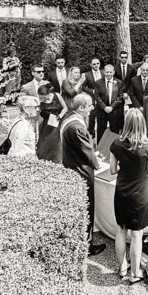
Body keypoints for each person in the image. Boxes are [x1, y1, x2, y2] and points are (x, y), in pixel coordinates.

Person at [110, 109, 148, 284]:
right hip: (140, 194)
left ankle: (122, 267)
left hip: (122, 191)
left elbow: (113, 170)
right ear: (143, 124)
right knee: (137, 235)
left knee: (120, 230)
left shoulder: (116, 144)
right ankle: (134, 273)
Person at [60, 93, 106, 256]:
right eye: (90, 105)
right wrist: (97, 162)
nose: (92, 108)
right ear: (81, 108)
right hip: (81, 172)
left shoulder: (69, 118)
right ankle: (87, 244)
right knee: (87, 208)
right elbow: (87, 152)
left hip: (71, 165)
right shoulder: (77, 127)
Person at [36, 83, 67, 162]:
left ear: (48, 94)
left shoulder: (56, 96)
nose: (42, 99)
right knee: (44, 142)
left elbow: (65, 108)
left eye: (44, 98)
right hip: (46, 125)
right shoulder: (39, 101)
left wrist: (60, 115)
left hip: (57, 121)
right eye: (40, 98)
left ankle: (57, 159)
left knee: (57, 142)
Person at [94, 64, 124, 142]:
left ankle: (114, 150)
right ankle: (100, 150)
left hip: (114, 111)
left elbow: (120, 97)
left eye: (110, 72)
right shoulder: (98, 82)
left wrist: (112, 107)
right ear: (104, 72)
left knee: (114, 132)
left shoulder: (119, 82)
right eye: (107, 72)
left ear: (113, 72)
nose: (109, 74)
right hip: (102, 111)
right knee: (101, 132)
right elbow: (97, 96)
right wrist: (104, 107)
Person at [82, 58, 103, 132]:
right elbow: (83, 87)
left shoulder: (103, 73)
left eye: (97, 63)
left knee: (102, 114)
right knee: (92, 114)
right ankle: (91, 131)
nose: (96, 65)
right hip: (92, 98)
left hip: (102, 97)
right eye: (94, 64)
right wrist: (92, 91)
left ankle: (101, 129)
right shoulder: (87, 75)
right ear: (91, 65)